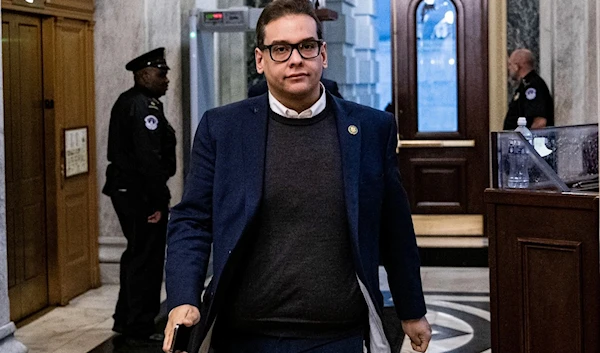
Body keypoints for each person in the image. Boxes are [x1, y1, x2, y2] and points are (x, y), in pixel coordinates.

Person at [162, 1, 431, 353]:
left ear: (323, 54)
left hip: (337, 335)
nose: (295, 59)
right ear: (260, 60)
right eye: (279, 49)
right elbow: (192, 221)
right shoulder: (224, 128)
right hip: (243, 335)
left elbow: (394, 227)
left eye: (306, 46)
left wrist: (411, 309)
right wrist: (183, 297)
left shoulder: (370, 129)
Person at [102, 47, 177, 343]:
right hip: (139, 194)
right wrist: (157, 202)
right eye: (161, 73)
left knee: (137, 256)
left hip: (131, 190)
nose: (167, 79)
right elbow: (148, 161)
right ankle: (138, 327)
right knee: (145, 259)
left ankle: (127, 320)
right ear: (143, 75)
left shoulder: (135, 102)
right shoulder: (143, 107)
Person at [504, 48, 554, 130]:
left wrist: (526, 140)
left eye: (510, 64)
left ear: (517, 66)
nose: (509, 68)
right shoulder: (525, 85)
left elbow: (540, 122)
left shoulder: (534, 86)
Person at [248, 76, 343, 98]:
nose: (296, 60)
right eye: (281, 50)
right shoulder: (259, 92)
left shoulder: (329, 88)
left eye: (307, 47)